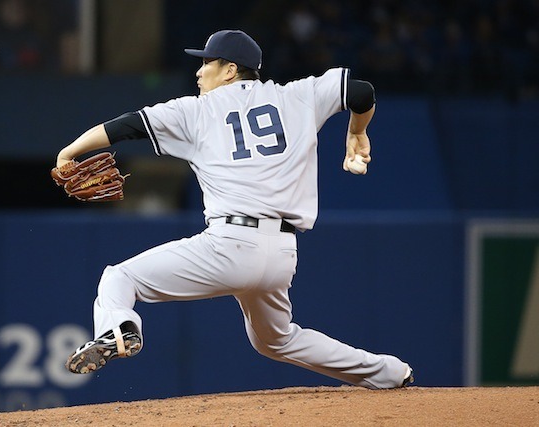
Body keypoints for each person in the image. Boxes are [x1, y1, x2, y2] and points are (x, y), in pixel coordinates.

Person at [56, 29, 414, 389]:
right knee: (276, 340)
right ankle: (388, 372)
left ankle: (118, 329)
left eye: (206, 62)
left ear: (230, 70)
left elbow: (127, 126)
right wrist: (357, 131)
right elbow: (361, 91)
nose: (199, 72)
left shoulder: (194, 111)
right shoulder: (298, 96)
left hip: (229, 245)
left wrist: (70, 151)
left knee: (119, 278)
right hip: (281, 254)